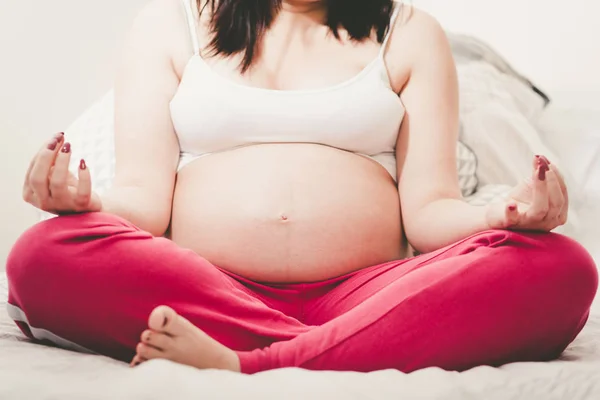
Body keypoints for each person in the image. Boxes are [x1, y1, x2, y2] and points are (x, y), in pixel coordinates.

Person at [6, 0, 598, 374]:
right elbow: (144, 201)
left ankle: (249, 360)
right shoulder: (169, 24)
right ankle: (351, 346)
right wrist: (85, 206)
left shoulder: (411, 32)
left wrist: (503, 213)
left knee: (561, 267)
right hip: (209, 287)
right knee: (41, 254)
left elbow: (429, 214)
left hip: (366, 290)